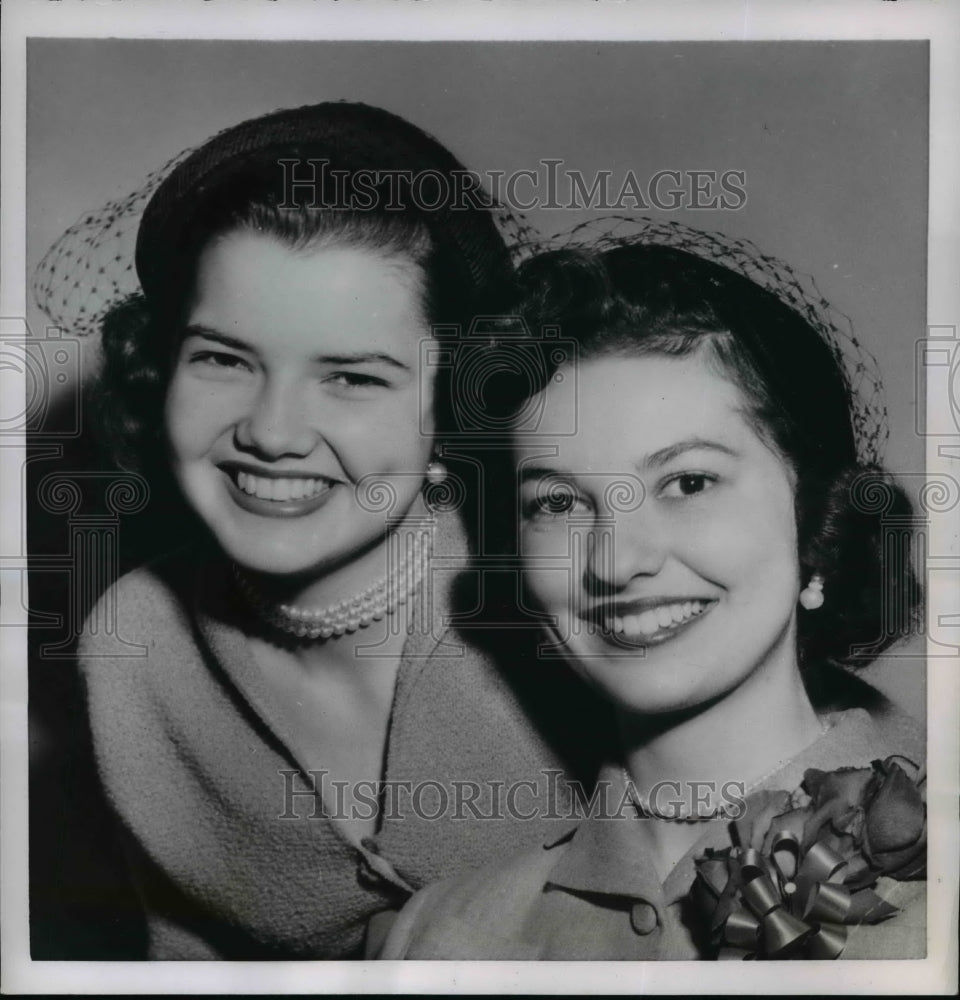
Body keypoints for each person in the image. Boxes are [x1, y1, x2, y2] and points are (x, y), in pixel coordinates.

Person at [67, 102, 600, 959]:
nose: (272, 432)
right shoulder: (134, 647)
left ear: (456, 403)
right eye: (223, 358)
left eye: (351, 377)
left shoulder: (568, 588)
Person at [379, 240, 927, 960]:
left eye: (689, 483)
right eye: (558, 503)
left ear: (816, 522)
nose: (618, 560)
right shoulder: (440, 938)